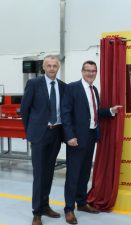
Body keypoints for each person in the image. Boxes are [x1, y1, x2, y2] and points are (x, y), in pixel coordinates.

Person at [61, 60, 122, 224]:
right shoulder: (72, 88)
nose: (90, 73)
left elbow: (94, 112)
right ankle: (69, 209)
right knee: (73, 175)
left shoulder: (94, 89)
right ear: (82, 71)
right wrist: (70, 136)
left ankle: (81, 203)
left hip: (90, 136)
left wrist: (110, 111)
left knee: (84, 172)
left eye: (93, 71)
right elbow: (65, 114)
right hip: (76, 138)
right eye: (88, 70)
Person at [21, 55, 66, 225]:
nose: (52, 68)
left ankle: (45, 205)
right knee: (39, 174)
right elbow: (24, 109)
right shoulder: (34, 84)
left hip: (55, 134)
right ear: (44, 67)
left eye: (55, 65)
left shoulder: (62, 86)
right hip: (39, 135)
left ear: (58, 67)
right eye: (49, 65)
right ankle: (37, 212)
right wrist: (31, 132)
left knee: (48, 173)